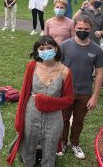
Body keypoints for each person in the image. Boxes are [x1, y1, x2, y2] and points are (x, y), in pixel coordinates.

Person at [7, 36, 73, 167]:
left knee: (50, 148)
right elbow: (24, 93)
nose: (45, 50)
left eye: (49, 47)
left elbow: (69, 100)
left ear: (56, 49)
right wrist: (19, 120)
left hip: (54, 117)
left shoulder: (65, 71)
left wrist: (47, 101)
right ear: (37, 51)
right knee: (29, 145)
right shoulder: (32, 66)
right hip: (31, 113)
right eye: (42, 48)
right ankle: (29, 164)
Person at [59, 16, 103, 160]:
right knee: (63, 119)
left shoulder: (96, 50)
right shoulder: (64, 46)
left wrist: (95, 96)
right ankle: (62, 142)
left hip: (84, 93)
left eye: (86, 29)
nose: (82, 31)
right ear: (74, 28)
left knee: (79, 121)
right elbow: (56, 69)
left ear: (91, 29)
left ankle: (75, 143)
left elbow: (99, 74)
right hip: (65, 92)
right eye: (79, 28)